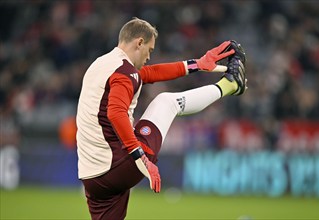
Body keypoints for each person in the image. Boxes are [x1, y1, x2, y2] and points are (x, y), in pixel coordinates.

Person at [76, 17, 246, 220]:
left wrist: (197, 65)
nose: (149, 57)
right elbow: (115, 112)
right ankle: (229, 85)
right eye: (149, 50)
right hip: (119, 164)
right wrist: (140, 156)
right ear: (139, 42)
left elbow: (149, 73)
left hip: (92, 178)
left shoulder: (102, 64)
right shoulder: (124, 71)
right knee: (166, 101)